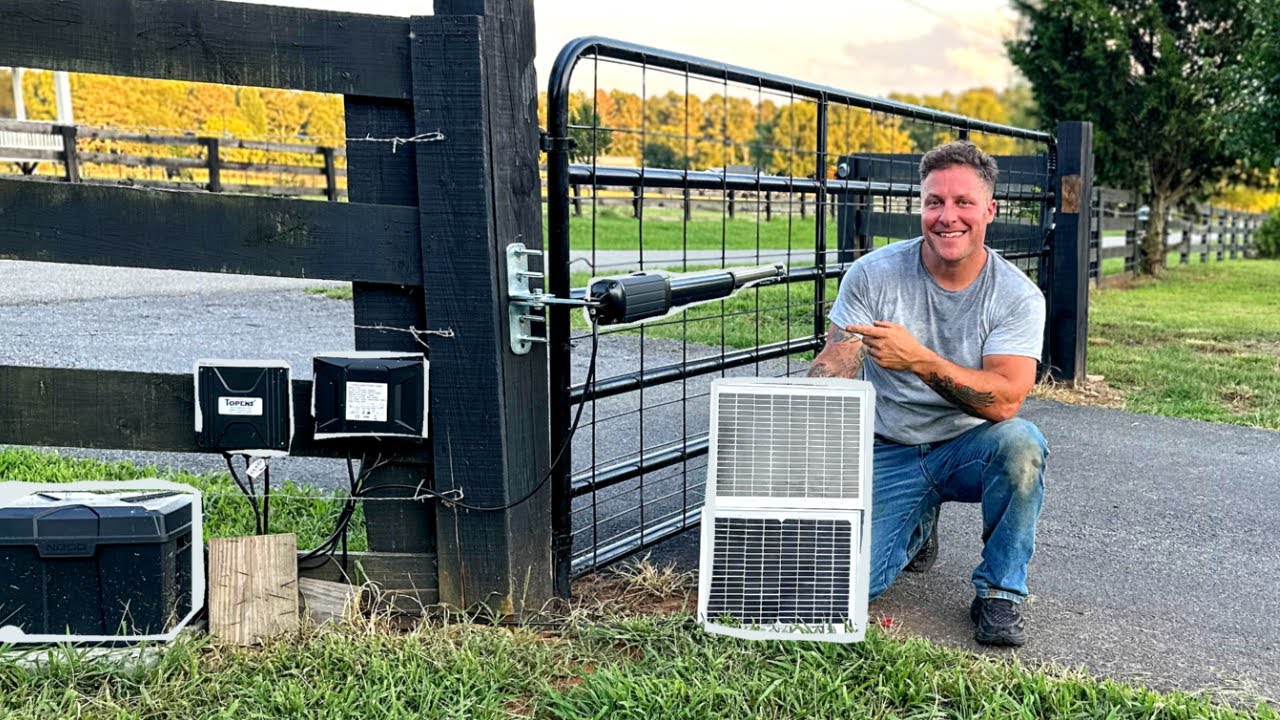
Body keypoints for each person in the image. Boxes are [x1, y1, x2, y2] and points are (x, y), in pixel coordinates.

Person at [808, 140, 1048, 647]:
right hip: (886, 445)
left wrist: (917, 359)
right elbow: (839, 357)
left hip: (966, 449)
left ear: (990, 209)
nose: (947, 216)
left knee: (1022, 445)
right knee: (847, 588)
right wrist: (818, 393)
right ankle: (917, 524)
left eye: (963, 202)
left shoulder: (1016, 295)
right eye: (934, 201)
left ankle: (1000, 592)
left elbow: (1005, 401)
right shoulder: (874, 274)